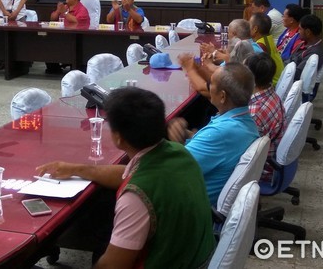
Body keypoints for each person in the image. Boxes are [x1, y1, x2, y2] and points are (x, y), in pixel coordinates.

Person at [35, 87, 216, 268]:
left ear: (118, 138)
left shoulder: (135, 197)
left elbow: (112, 266)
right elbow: (130, 174)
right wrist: (78, 169)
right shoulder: (178, 152)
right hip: (198, 258)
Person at [167, 63, 260, 206]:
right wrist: (186, 134)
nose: (208, 87)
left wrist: (174, 143)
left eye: (211, 83)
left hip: (190, 205)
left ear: (222, 96)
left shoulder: (220, 133)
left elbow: (173, 170)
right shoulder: (244, 121)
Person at [245, 52, 285, 182]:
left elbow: (239, 150)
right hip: (270, 160)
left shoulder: (255, 111)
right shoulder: (271, 94)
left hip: (261, 170)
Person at [288, 14, 323, 80]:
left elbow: (297, 74)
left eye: (300, 29)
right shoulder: (305, 43)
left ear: (308, 32)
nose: (298, 32)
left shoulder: (314, 53)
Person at [250, 12, 284, 85]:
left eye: (249, 24)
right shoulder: (268, 38)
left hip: (272, 83)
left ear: (255, 29)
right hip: (278, 80)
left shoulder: (260, 46)